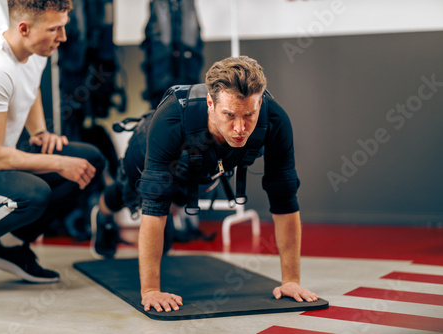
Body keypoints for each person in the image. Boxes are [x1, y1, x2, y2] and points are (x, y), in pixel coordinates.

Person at [91, 56, 318, 312]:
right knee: (127, 195)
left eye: (250, 115)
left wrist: (291, 281)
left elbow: (285, 199)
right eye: (229, 115)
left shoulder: (275, 120)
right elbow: (153, 205)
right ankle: (102, 216)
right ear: (211, 103)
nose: (240, 128)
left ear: (260, 103)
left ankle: (167, 220)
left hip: (200, 163)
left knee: (174, 204)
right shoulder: (172, 118)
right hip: (146, 150)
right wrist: (151, 290)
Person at [0, 0, 105, 298]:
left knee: (89, 161)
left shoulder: (35, 49)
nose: (63, 37)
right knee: (34, 192)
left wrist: (40, 133)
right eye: (55, 29)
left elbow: (29, 93)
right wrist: (57, 163)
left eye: (63, 27)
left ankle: (10, 247)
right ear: (23, 28)